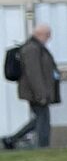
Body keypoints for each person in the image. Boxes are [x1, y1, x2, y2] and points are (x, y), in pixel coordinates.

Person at [3, 20, 60, 150]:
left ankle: (11, 139)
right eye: (48, 34)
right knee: (43, 119)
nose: (49, 38)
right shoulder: (32, 49)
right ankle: (42, 146)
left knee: (40, 118)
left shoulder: (37, 47)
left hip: (38, 91)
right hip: (35, 92)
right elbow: (34, 74)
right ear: (41, 34)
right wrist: (41, 94)